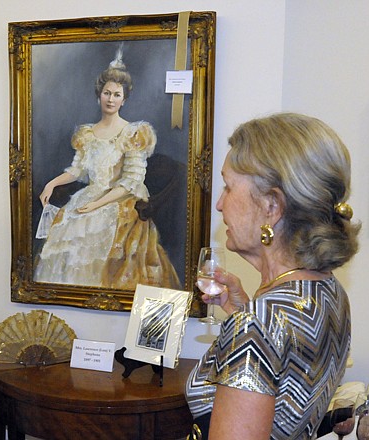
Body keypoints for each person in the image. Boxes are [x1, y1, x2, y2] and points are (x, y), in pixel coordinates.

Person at [185, 113, 360, 439]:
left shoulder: (257, 325)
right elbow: (289, 384)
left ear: (271, 206)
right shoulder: (329, 290)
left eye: (228, 186)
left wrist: (248, 322)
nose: (220, 204)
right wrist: (243, 312)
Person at [33, 48, 180, 290]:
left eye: (116, 95)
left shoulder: (133, 133)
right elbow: (78, 170)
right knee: (67, 224)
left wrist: (97, 204)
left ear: (124, 99)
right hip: (91, 194)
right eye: (106, 93)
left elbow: (131, 181)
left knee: (94, 224)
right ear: (99, 95)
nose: (111, 99)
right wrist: (52, 183)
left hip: (119, 200)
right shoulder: (87, 134)